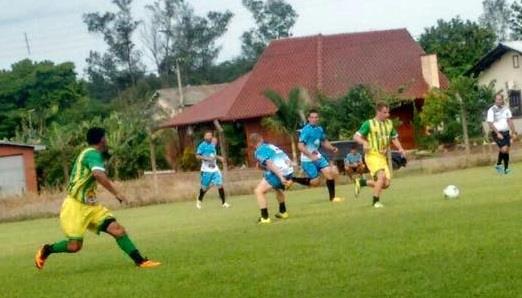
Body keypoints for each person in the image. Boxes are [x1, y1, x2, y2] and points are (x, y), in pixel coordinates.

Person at [34, 127, 160, 269]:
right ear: (102, 139)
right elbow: (98, 174)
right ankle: (46, 250)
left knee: (118, 230)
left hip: (91, 206)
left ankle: (141, 261)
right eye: (105, 137)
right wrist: (117, 193)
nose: (107, 140)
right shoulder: (92, 154)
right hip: (75, 207)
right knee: (74, 246)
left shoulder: (90, 154)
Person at [353, 102, 406, 208]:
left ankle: (362, 182)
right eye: (385, 112)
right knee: (381, 177)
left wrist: (400, 148)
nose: (387, 115)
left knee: (385, 184)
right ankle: (375, 201)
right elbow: (356, 136)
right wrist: (364, 142)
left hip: (382, 157)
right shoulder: (369, 124)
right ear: (378, 112)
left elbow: (394, 137)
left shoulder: (389, 124)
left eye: (388, 112)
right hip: (372, 155)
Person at [294, 110, 343, 203]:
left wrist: (332, 148)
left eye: (316, 117)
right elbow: (300, 146)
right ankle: (294, 179)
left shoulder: (319, 129)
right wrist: (310, 156)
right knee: (316, 182)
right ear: (308, 119)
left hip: (317, 156)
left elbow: (324, 141)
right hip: (307, 159)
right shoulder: (306, 130)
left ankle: (333, 198)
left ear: (318, 118)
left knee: (329, 172)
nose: (314, 119)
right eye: (312, 117)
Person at [250, 133, 293, 224]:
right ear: (261, 139)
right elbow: (285, 159)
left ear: (252, 144)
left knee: (259, 191)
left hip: (280, 172)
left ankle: (265, 218)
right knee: (277, 188)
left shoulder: (259, 151)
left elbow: (270, 164)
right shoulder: (270, 146)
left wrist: (281, 177)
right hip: (288, 170)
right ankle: (283, 212)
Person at [195, 132, 230, 209]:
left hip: (215, 169)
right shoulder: (202, 146)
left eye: (211, 136)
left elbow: (213, 155)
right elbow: (197, 156)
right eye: (208, 136)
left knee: (220, 184)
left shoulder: (213, 145)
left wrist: (219, 157)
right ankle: (199, 200)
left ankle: (224, 203)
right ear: (204, 137)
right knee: (204, 188)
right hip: (206, 170)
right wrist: (207, 158)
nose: (210, 137)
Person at [487, 94, 517, 174]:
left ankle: (505, 168)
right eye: (497, 99)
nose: (499, 101)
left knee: (506, 150)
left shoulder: (506, 109)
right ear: (495, 100)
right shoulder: (491, 110)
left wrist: (513, 132)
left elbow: (510, 121)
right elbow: (490, 123)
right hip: (497, 132)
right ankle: (499, 164)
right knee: (504, 149)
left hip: (506, 132)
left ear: (502, 100)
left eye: (500, 99)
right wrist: (497, 133)